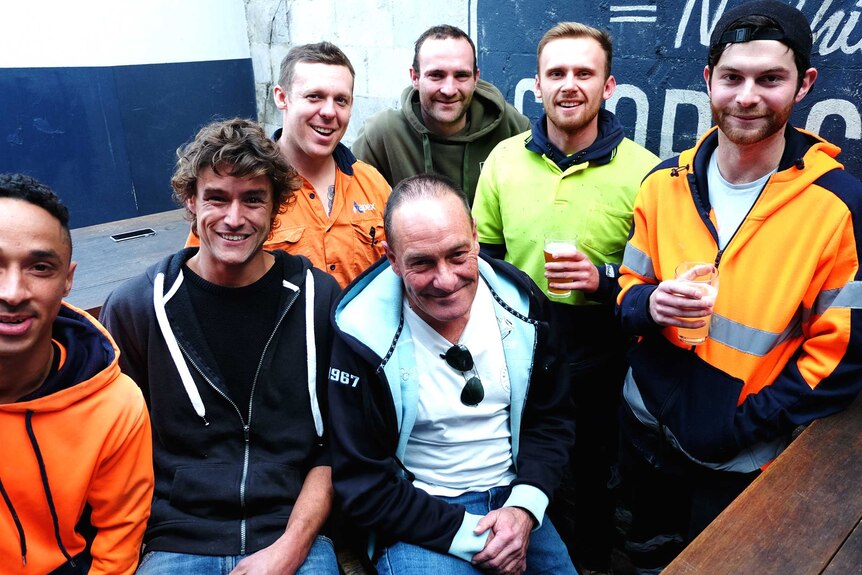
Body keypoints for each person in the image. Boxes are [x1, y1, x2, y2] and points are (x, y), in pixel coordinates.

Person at [617, 1, 862, 570]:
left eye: (769, 79)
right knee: (641, 555)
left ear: (804, 85)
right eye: (732, 77)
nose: (747, 96)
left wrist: (740, 425)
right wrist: (649, 304)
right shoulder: (663, 184)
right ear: (708, 80)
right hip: (645, 428)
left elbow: (841, 355)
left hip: (737, 462)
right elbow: (630, 285)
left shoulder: (839, 207)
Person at [101, 119, 341, 574]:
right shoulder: (138, 307)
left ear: (276, 207)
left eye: (253, 199)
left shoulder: (317, 298)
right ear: (191, 201)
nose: (235, 218)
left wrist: (290, 548)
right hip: (176, 539)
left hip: (292, 534)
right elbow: (115, 454)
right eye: (217, 198)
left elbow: (335, 446)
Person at [472, 22, 659, 573]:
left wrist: (603, 280)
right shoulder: (504, 160)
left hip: (604, 348)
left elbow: (657, 284)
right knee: (520, 463)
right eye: (556, 73)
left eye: (584, 72)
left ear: (610, 86)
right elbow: (481, 255)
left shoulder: (646, 172)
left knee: (597, 473)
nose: (569, 84)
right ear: (537, 84)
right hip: (519, 341)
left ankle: (593, 561)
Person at [328, 174, 577, 575]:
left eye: (458, 255)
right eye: (422, 263)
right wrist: (473, 535)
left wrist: (525, 508)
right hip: (419, 514)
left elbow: (551, 419)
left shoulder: (523, 306)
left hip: (517, 498)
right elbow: (364, 483)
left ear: (476, 237)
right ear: (391, 258)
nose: (445, 280)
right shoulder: (362, 336)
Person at [0, 173, 153, 574]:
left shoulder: (115, 405)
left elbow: (118, 544)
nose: (13, 291)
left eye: (39, 267)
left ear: (68, 280)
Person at [186, 42, 390, 288]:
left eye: (341, 100)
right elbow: (199, 283)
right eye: (314, 96)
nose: (329, 111)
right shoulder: (245, 191)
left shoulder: (373, 184)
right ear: (282, 97)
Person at [351, 25, 530, 204]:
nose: (449, 90)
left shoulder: (512, 128)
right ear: (415, 78)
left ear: (476, 78)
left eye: (461, 75)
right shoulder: (381, 137)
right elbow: (354, 212)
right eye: (436, 75)